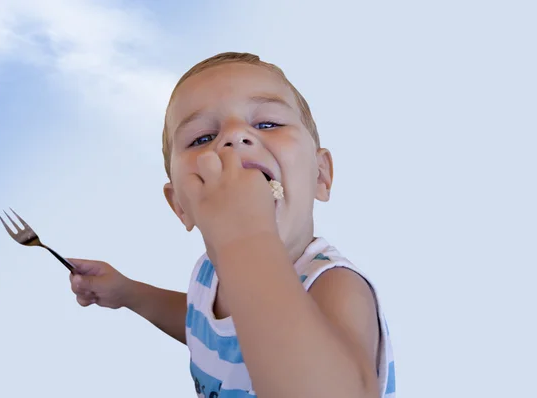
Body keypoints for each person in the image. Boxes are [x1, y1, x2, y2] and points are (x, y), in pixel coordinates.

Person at [68, 52, 396, 398]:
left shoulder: (334, 286)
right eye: (202, 138)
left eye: (268, 123)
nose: (235, 136)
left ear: (321, 175)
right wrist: (129, 293)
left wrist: (248, 235)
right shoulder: (209, 273)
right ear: (180, 205)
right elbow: (205, 326)